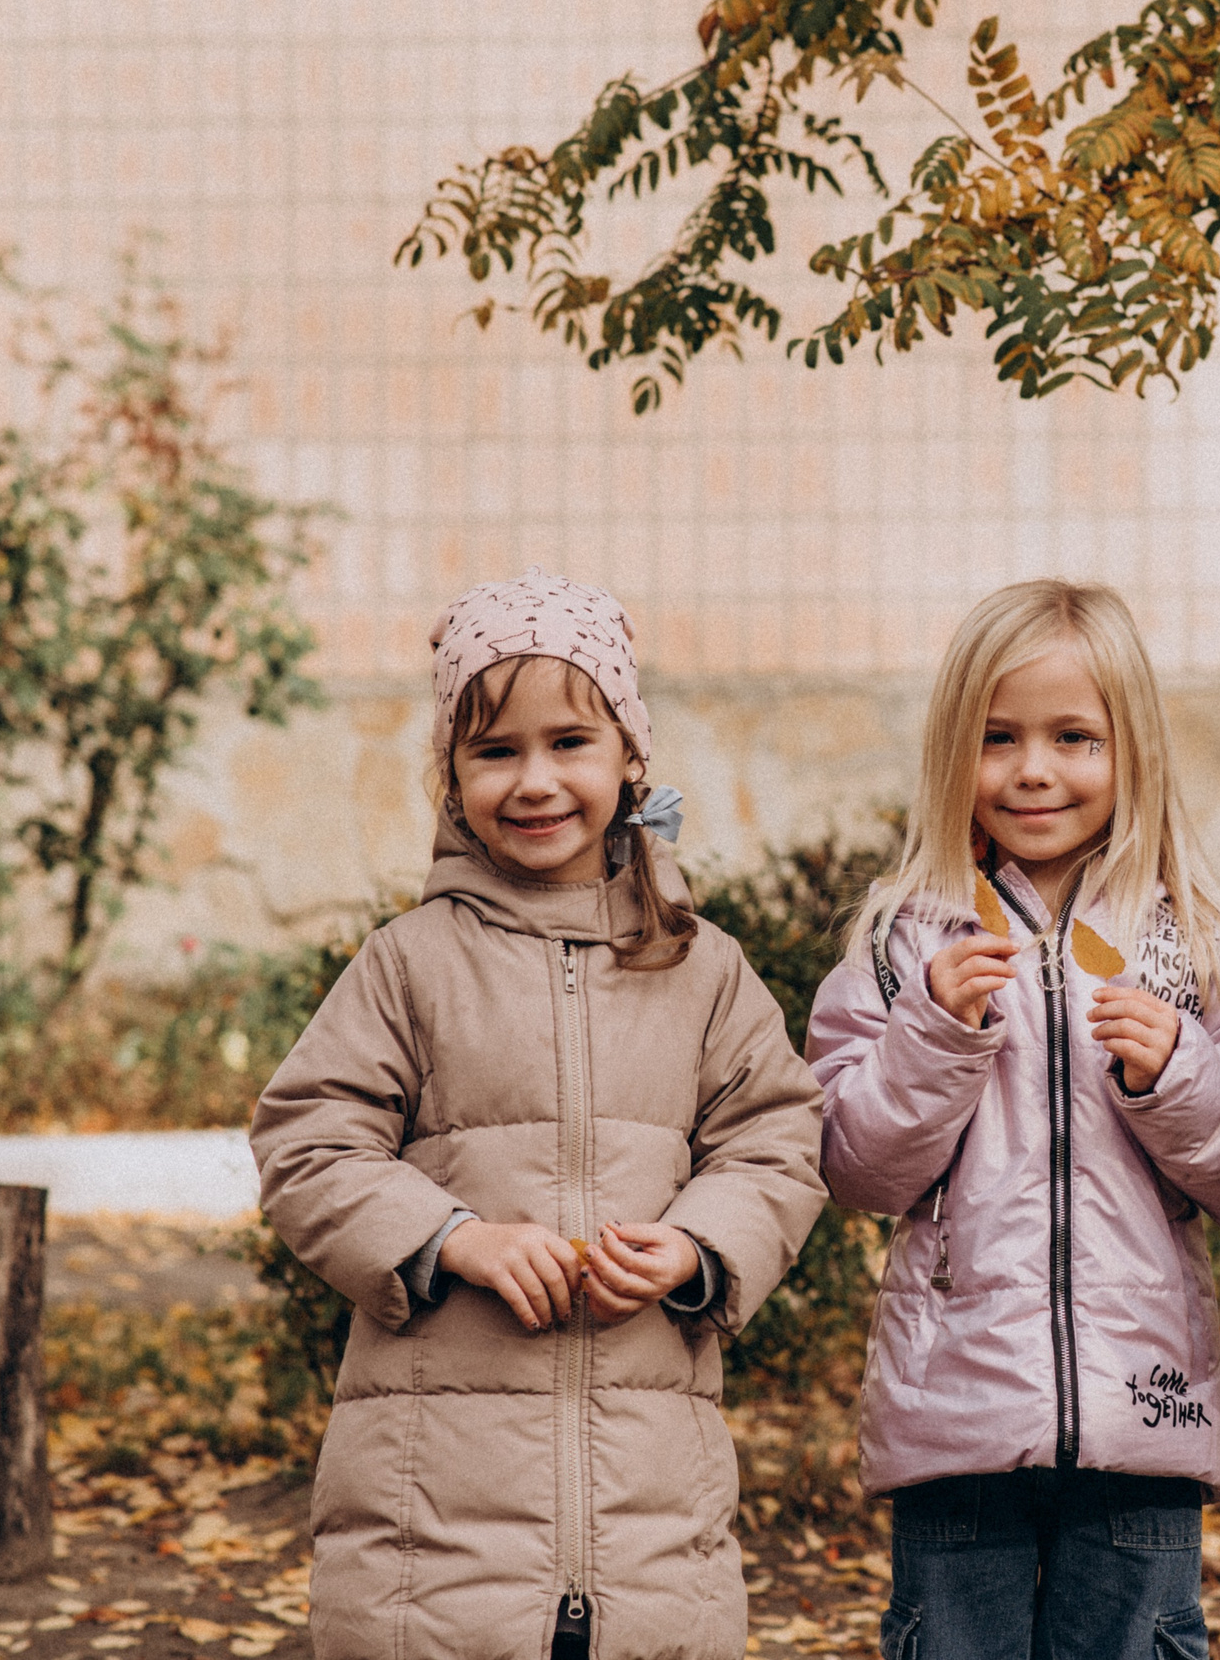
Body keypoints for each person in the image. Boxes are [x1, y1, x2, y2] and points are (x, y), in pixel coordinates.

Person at [251, 569, 827, 1660]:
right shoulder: (409, 964)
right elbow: (308, 1139)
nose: (534, 780)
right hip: (432, 1552)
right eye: (494, 750)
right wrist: (450, 1236)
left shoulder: (702, 969)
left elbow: (776, 1138)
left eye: (570, 741)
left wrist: (698, 1245)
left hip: (649, 1532)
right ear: (450, 771)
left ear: (628, 757)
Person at [805, 579, 1220, 1660]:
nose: (1033, 768)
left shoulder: (1198, 945)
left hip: (1142, 1420)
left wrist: (1179, 1071)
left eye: (1074, 735)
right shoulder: (902, 945)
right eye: (997, 737)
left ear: (1134, 751)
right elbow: (853, 1165)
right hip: (955, 1423)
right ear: (951, 753)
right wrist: (934, 1032)